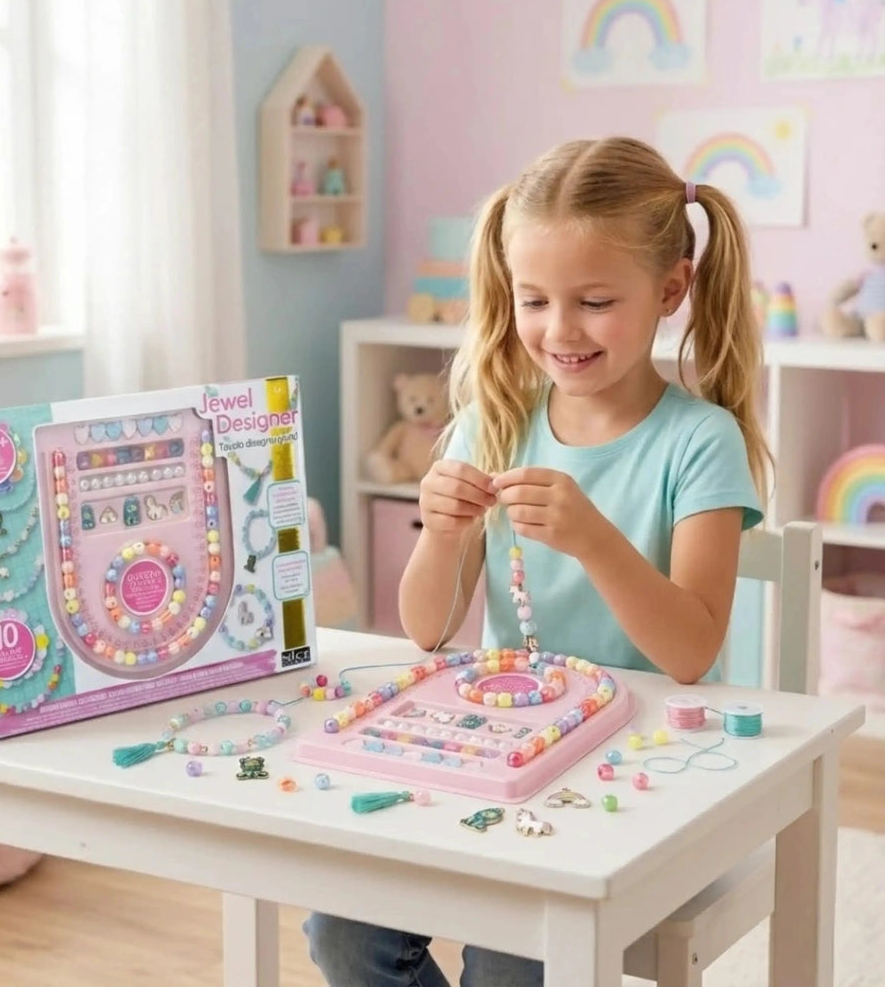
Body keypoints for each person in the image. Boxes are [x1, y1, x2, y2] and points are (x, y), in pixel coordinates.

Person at [304, 135, 769, 987]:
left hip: (636, 771)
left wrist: (593, 538)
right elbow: (425, 630)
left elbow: (692, 651)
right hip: (500, 749)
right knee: (339, 926)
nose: (560, 330)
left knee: (513, 952)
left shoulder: (701, 443)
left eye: (594, 300)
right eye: (534, 300)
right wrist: (441, 533)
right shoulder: (498, 418)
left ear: (671, 289)